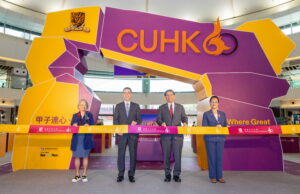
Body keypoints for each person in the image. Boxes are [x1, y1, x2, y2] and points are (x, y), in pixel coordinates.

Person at [156, 89, 188, 182]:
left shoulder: (180, 107)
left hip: (178, 136)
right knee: (166, 156)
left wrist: (185, 123)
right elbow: (158, 119)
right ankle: (167, 174)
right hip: (166, 136)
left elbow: (184, 117)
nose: (169, 97)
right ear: (165, 97)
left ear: (174, 96)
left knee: (178, 155)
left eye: (171, 95)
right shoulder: (161, 107)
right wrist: (161, 123)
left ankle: (177, 175)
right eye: (167, 95)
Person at [114, 87, 142, 183]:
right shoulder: (118, 106)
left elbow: (140, 120)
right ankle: (120, 174)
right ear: (123, 94)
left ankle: (131, 175)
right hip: (121, 134)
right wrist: (117, 130)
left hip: (133, 135)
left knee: (133, 154)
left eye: (128, 93)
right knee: (120, 154)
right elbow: (115, 120)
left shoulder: (136, 106)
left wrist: (136, 122)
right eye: (125, 93)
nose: (126, 94)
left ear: (131, 94)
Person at [202, 96, 227, 183]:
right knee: (211, 158)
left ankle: (219, 176)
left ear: (218, 103)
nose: (214, 103)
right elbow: (204, 127)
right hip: (210, 138)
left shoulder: (223, 114)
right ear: (210, 103)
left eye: (216, 102)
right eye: (212, 102)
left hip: (220, 138)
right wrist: (214, 127)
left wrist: (225, 127)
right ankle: (212, 176)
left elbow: (225, 126)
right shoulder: (206, 114)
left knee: (219, 158)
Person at [70, 99, 95, 183]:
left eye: (84, 105)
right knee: (76, 157)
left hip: (86, 138)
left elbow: (93, 125)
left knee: (85, 157)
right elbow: (71, 125)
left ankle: (84, 174)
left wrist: (89, 125)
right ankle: (77, 175)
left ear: (86, 106)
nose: (82, 106)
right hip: (77, 139)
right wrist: (73, 125)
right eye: (81, 104)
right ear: (78, 106)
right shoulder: (75, 115)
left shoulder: (89, 115)